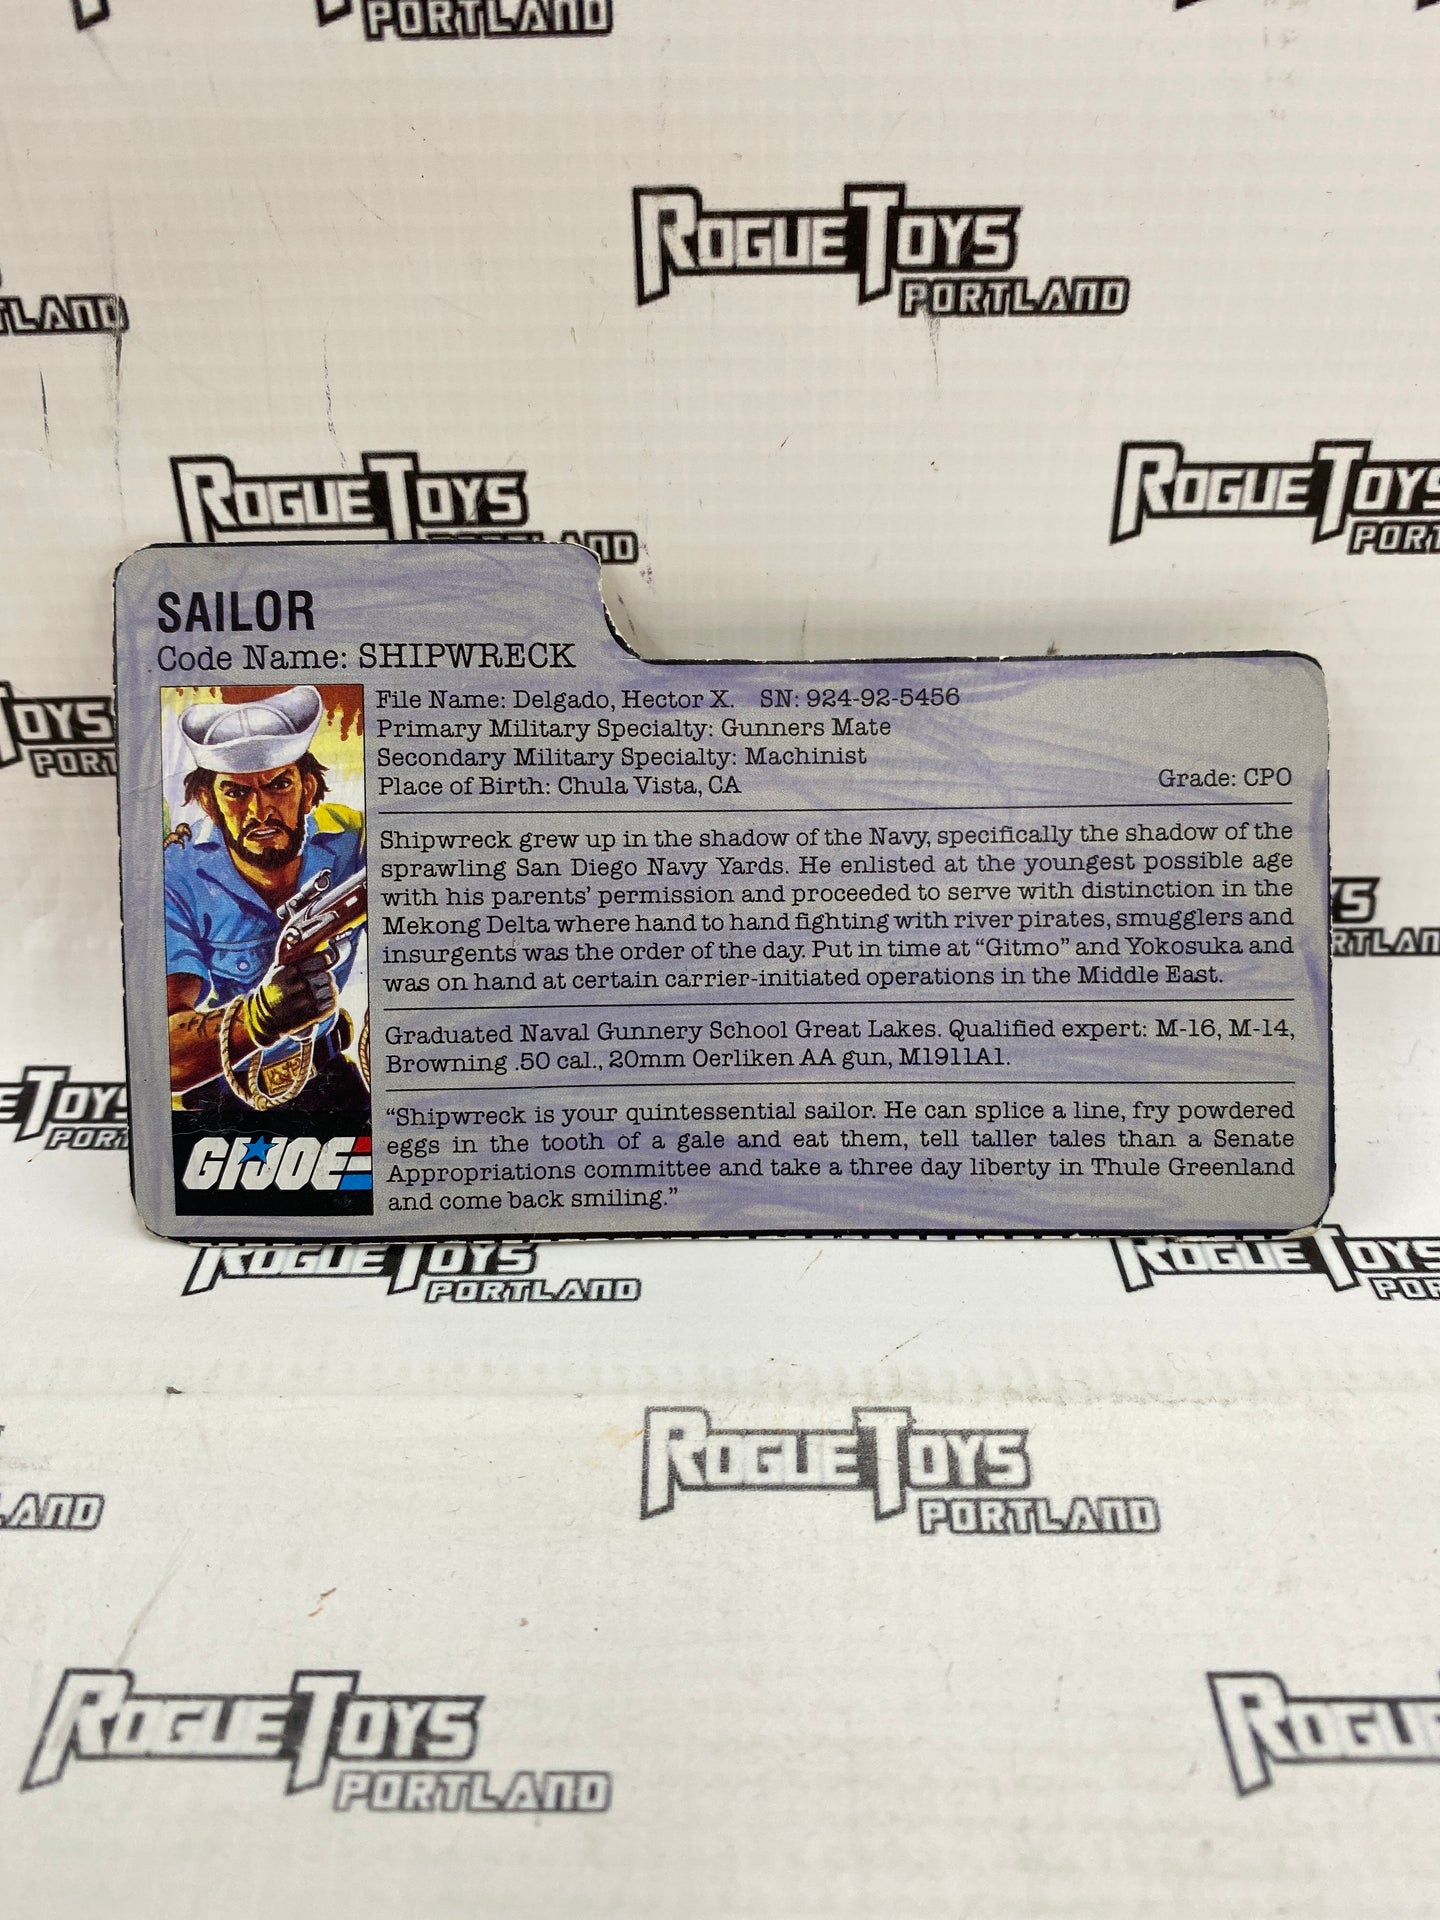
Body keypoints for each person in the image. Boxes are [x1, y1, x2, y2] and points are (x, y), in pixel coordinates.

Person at [164, 685, 367, 1124]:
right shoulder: (177, 876)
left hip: (328, 1076)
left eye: (279, 785)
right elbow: (164, 1051)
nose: (260, 811)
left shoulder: (353, 840)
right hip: (224, 1103)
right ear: (209, 802)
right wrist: (257, 1018)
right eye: (236, 792)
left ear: (308, 789)